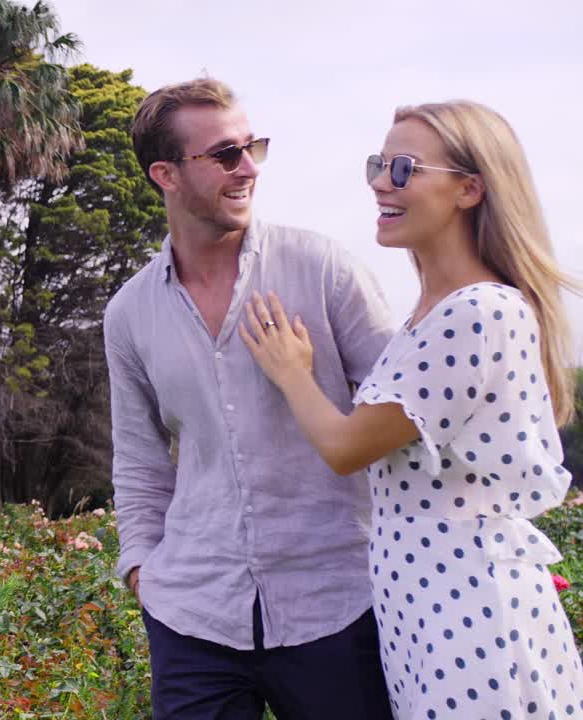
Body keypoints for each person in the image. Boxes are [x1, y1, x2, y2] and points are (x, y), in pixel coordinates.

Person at [240, 100, 583, 719]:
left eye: (402, 168)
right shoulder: (429, 316)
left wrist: (292, 372)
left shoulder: (478, 313)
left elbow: (348, 448)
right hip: (428, 609)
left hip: (473, 612)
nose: (379, 182)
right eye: (378, 164)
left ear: (469, 189)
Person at [106, 77, 396, 719]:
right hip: (191, 615)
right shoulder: (129, 313)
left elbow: (404, 412)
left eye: (251, 147)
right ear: (166, 174)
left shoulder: (321, 268)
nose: (248, 169)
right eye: (224, 155)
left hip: (338, 604)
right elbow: (138, 460)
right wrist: (141, 572)